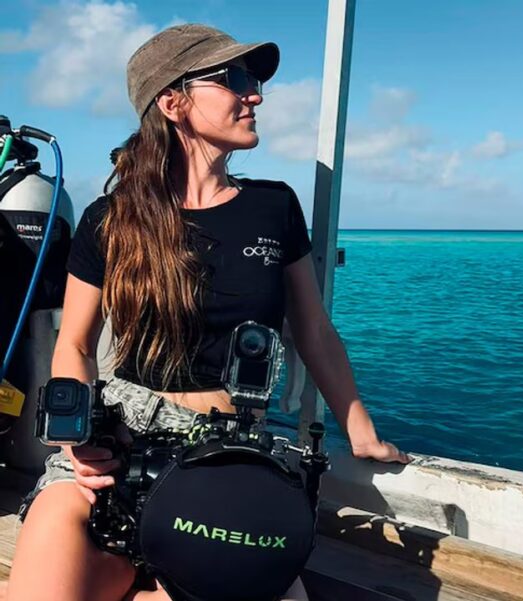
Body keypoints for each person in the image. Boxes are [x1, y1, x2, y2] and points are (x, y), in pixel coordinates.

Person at [8, 24, 409, 601]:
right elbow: (73, 344)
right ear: (173, 102)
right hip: (119, 442)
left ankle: (147, 578)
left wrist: (361, 432)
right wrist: (77, 439)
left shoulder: (273, 207)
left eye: (255, 81)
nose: (257, 95)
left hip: (229, 453)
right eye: (237, 79)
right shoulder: (110, 218)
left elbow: (314, 331)